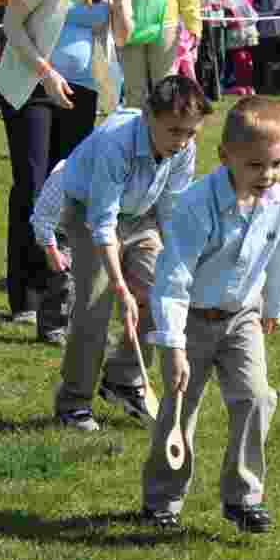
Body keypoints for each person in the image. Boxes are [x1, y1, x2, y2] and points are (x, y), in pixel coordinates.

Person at [142, 96, 280, 533]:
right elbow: (172, 279)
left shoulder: (278, 204)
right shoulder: (195, 205)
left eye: (276, 164)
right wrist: (171, 346)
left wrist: (275, 305)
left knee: (255, 398)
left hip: (242, 316)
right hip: (189, 319)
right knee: (179, 408)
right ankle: (162, 502)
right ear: (225, 156)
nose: (266, 175)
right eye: (255, 165)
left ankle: (243, 498)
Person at [50, 76, 212, 432]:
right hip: (89, 212)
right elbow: (102, 222)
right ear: (148, 117)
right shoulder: (116, 143)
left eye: (190, 133)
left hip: (142, 215)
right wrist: (121, 286)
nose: (182, 141)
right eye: (174, 131)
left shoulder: (183, 148)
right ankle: (73, 401)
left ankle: (123, 378)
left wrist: (178, 263)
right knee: (96, 306)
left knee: (159, 295)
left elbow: (171, 209)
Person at [0, 0, 130, 340]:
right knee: (34, 185)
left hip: (81, 90)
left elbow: (123, 35)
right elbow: (12, 26)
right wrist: (47, 73)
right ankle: (26, 295)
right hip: (32, 83)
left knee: (67, 192)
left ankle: (56, 300)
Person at [122, 0, 201, 109]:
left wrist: (194, 25)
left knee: (163, 86)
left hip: (162, 24)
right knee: (137, 89)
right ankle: (137, 126)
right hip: (131, 24)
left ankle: (165, 126)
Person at [223, 0, 258, 96]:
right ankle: (246, 86)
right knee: (245, 54)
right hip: (247, 22)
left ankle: (242, 85)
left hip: (238, 23)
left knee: (241, 55)